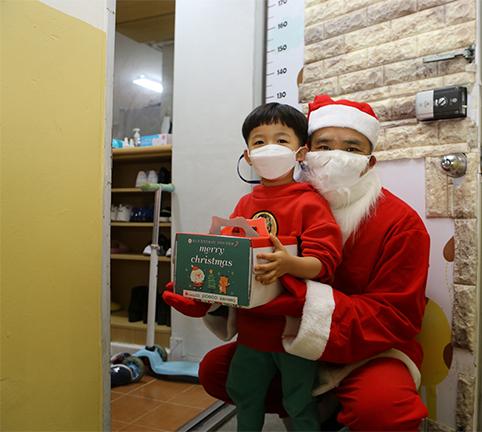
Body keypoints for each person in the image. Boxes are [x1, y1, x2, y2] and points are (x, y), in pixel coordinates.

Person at [195, 95, 430, 432]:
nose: (335, 156)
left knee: (383, 408)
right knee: (218, 371)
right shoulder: (282, 202)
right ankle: (309, 411)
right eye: (324, 145)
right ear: (306, 152)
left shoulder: (400, 223)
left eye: (351, 148)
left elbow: (396, 317)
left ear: (370, 161)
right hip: (286, 339)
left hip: (366, 349)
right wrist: (209, 286)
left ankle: (325, 407)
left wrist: (304, 303)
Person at [163, 102, 342, 431]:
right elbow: (231, 254)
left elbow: (325, 263)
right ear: (247, 155)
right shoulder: (246, 202)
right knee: (244, 392)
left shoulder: (310, 202)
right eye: (260, 141)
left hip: (292, 331)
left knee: (298, 399)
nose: (269, 148)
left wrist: (289, 263)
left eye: (281, 140)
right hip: (251, 330)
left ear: (301, 152)